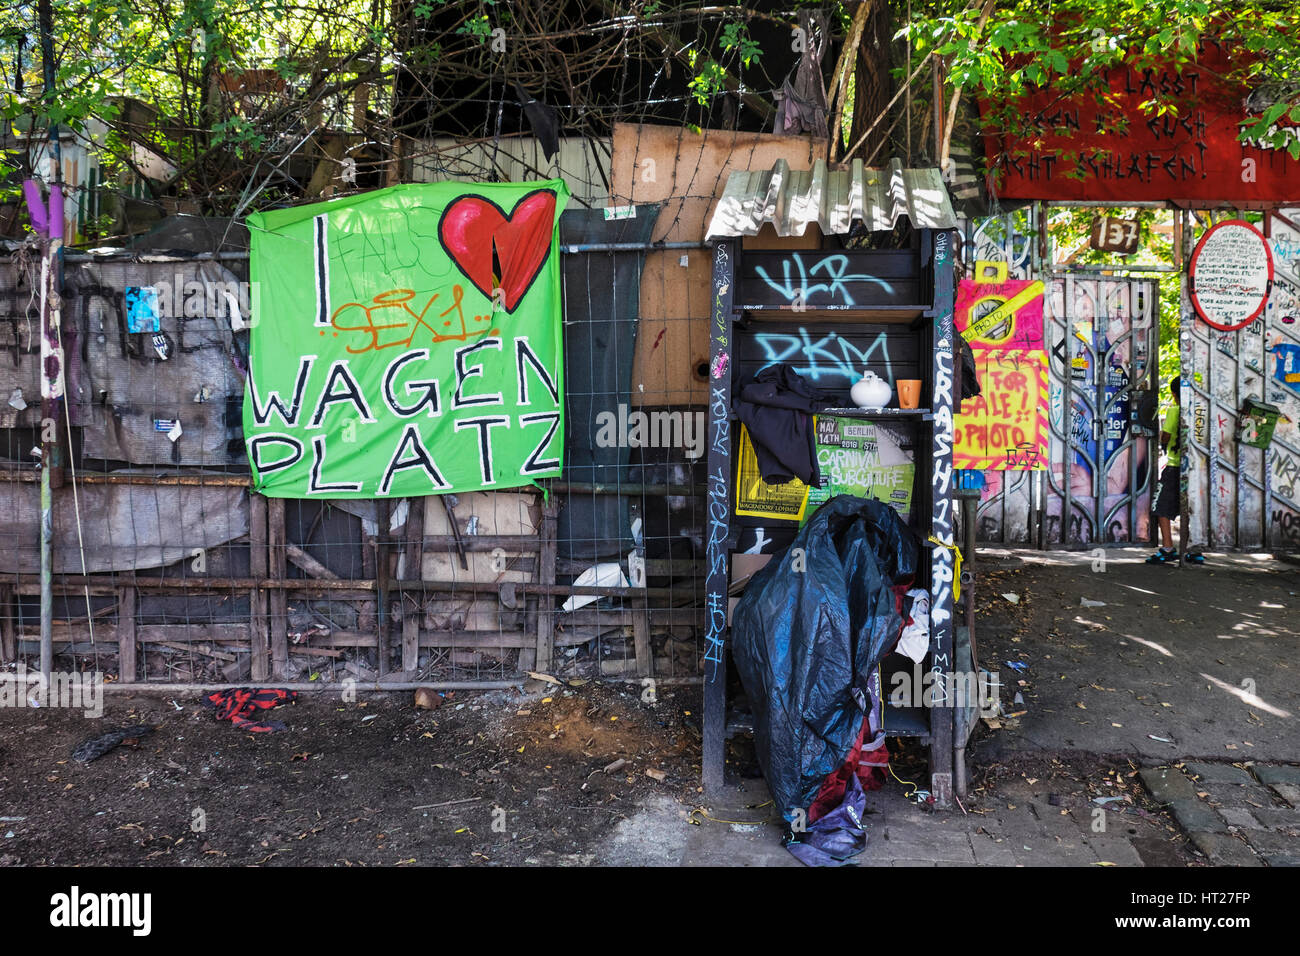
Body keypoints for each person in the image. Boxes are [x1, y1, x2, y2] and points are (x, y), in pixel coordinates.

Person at [1147, 376, 1204, 565]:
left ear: (1173, 394)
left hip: (1174, 467)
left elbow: (1166, 436)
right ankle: (1194, 549)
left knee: (1160, 506)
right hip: (1196, 468)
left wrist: (1161, 438)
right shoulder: (1200, 412)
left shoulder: (1174, 411)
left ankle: (1167, 548)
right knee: (1192, 509)